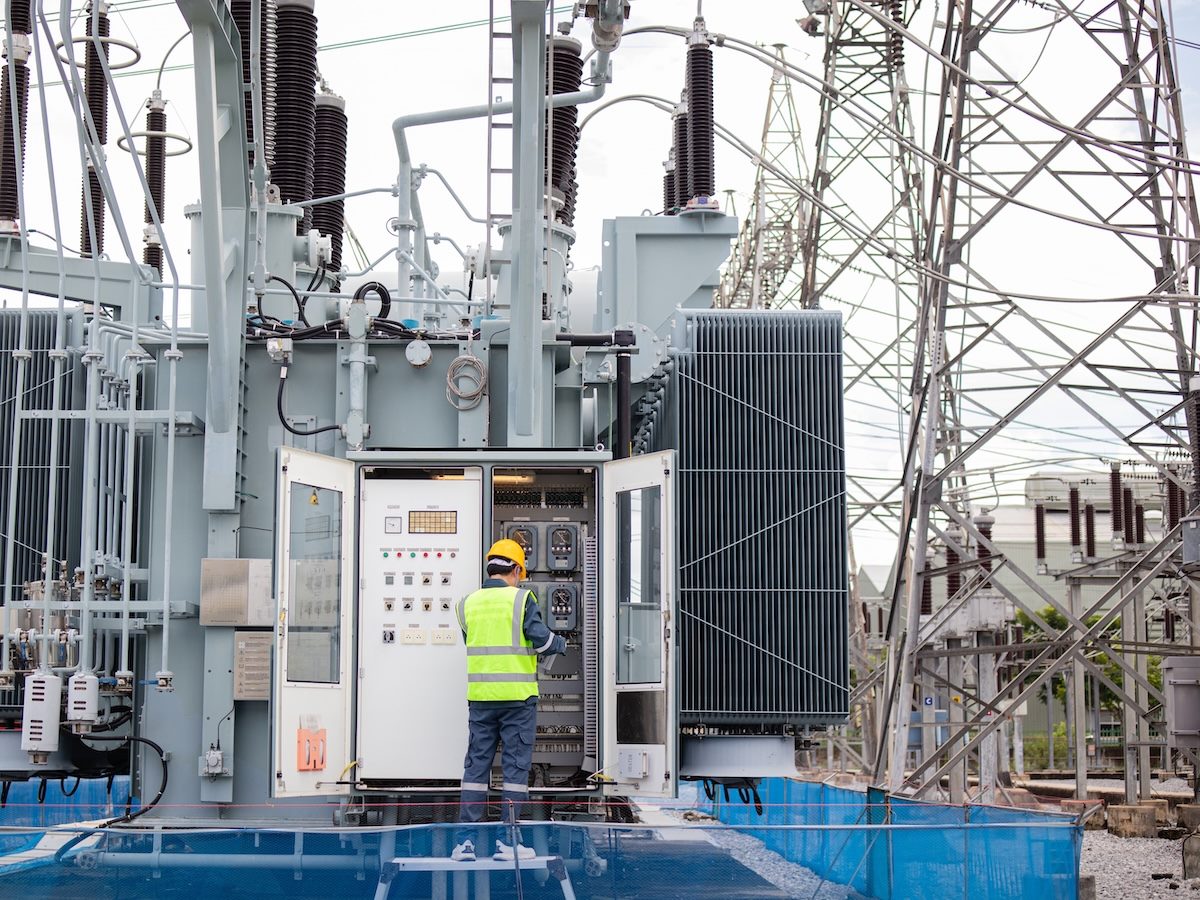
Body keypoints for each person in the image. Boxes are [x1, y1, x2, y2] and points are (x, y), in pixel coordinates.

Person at [451, 538, 567, 862]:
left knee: (476, 770)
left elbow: (475, 642)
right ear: (515, 569)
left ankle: (465, 843)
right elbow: (541, 641)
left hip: (481, 700)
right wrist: (560, 643)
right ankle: (509, 842)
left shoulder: (466, 604)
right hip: (517, 701)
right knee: (514, 772)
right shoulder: (522, 600)